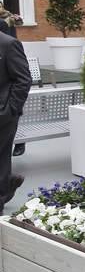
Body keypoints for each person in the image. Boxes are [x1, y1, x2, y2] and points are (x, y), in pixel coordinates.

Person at [0, 29, 31, 214]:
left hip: (4, 114)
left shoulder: (8, 44)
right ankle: (8, 186)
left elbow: (23, 79)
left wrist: (10, 110)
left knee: (1, 157)